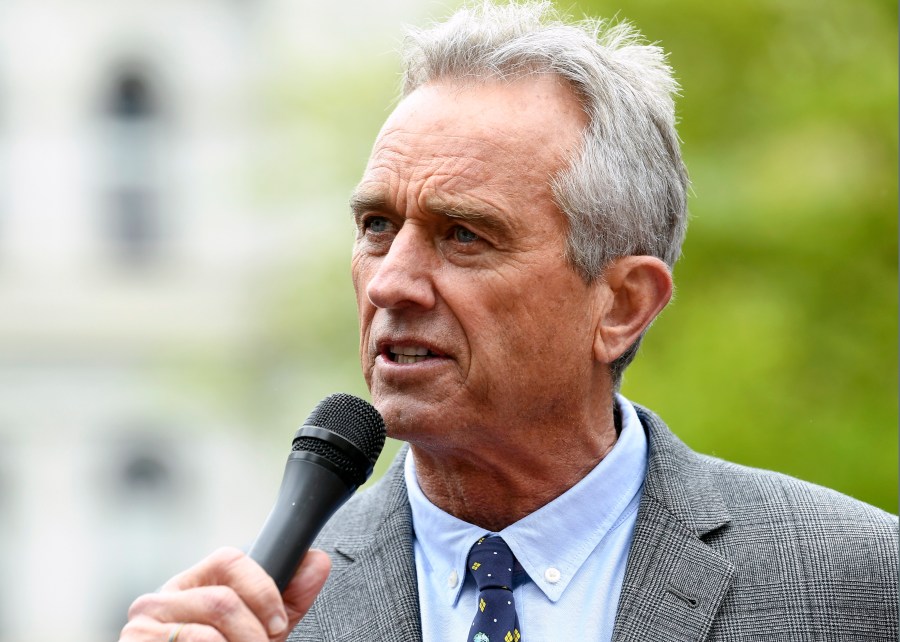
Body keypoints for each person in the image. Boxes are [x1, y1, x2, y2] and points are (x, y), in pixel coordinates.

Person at [120, 2, 898, 641]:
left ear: (622, 304)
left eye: (464, 235)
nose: (391, 281)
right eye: (376, 227)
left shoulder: (856, 586)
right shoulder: (258, 621)